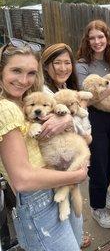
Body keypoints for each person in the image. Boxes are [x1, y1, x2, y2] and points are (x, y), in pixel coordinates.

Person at [0, 39, 87, 251]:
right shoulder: (6, 109)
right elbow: (22, 179)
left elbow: (65, 109)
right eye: (16, 71)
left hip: (52, 183)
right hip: (36, 200)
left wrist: (66, 120)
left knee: (76, 240)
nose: (24, 80)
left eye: (31, 73)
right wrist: (76, 176)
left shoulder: (24, 100)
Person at [76, 20, 110, 229]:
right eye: (92, 38)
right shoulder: (82, 65)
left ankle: (103, 189)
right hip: (95, 119)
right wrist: (109, 89)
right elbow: (85, 99)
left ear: (107, 38)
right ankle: (97, 207)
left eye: (101, 37)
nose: (97, 41)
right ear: (87, 40)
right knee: (98, 164)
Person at [41, 43, 92, 248]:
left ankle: (77, 238)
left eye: (67, 62)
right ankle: (74, 241)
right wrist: (76, 126)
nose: (63, 68)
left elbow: (87, 126)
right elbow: (53, 127)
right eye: (57, 63)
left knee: (71, 201)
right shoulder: (45, 95)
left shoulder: (65, 88)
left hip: (72, 156)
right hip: (57, 160)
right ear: (45, 66)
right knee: (63, 205)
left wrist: (75, 126)